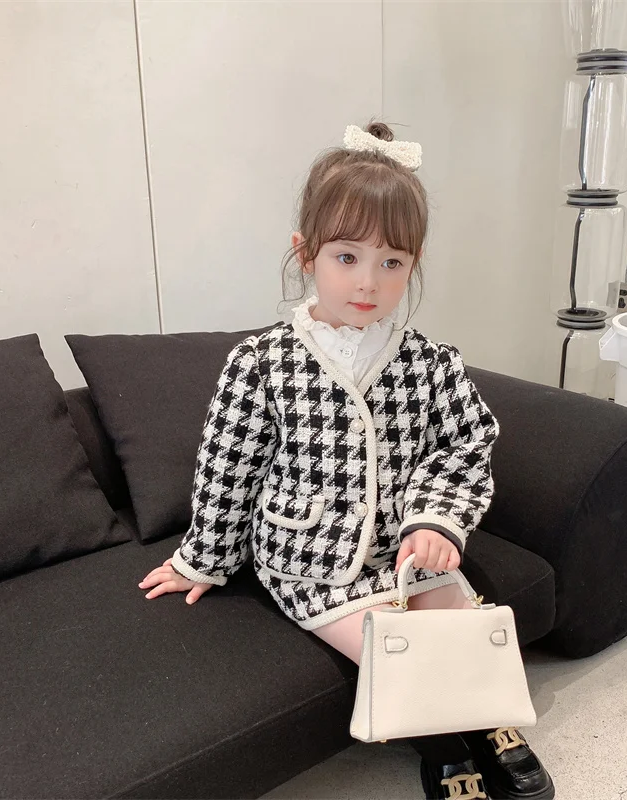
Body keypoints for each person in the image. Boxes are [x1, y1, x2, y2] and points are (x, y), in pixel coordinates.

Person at [138, 121, 554, 800]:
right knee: (397, 652)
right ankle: (448, 748)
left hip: (406, 549)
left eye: (392, 263)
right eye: (347, 257)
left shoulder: (430, 363)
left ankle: (494, 721)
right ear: (306, 253)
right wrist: (203, 560)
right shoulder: (260, 363)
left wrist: (436, 521)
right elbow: (227, 469)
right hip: (310, 561)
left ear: (414, 264)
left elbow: (465, 444)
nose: (368, 282)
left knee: (458, 616)